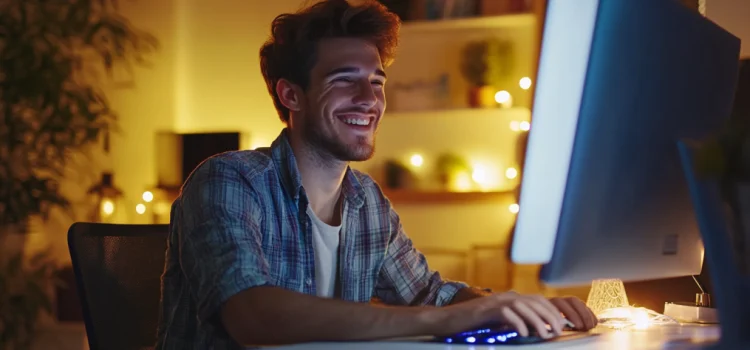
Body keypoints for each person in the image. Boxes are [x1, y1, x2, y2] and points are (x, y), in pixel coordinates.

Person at [155, 0, 597, 349]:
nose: (369, 99)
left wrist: (521, 307)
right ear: (291, 95)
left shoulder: (367, 200)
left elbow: (429, 294)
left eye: (378, 82)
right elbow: (251, 314)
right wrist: (449, 319)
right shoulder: (229, 180)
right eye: (345, 80)